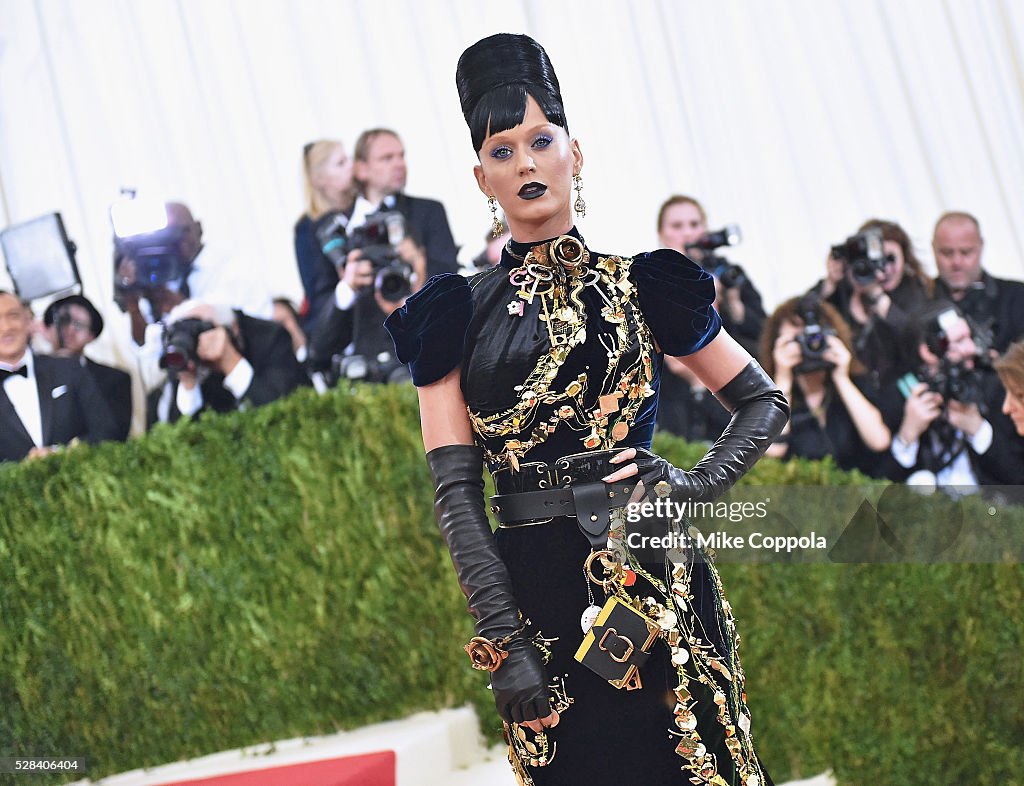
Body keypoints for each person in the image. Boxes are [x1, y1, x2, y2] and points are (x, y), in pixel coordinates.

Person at [384, 34, 787, 785]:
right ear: (481, 179)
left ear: (576, 151)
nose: (527, 164)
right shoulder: (451, 315)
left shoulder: (646, 286)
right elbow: (456, 494)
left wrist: (693, 484)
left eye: (541, 141)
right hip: (537, 597)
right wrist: (503, 643)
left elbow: (763, 401)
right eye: (503, 152)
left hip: (660, 581)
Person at [876, 302, 1019, 493]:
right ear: (928, 351)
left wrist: (979, 430)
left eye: (970, 338)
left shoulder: (995, 386)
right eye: (959, 341)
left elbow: (1017, 477)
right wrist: (907, 437)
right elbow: (877, 486)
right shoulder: (901, 395)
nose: (970, 349)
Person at [761, 295, 890, 476]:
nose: (807, 346)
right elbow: (773, 452)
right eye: (797, 340)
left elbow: (879, 441)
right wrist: (783, 379)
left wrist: (842, 378)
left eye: (813, 337)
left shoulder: (855, 381)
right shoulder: (770, 396)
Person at [0, 290, 119, 463]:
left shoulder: (68, 369)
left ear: (28, 320)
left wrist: (61, 453)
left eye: (13, 316)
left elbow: (106, 432)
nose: (6, 327)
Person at [815, 219, 932, 391]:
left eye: (890, 259)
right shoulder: (841, 296)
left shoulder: (916, 292)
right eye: (874, 260)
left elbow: (917, 339)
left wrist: (877, 296)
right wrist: (829, 285)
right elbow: (800, 316)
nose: (883, 269)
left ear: (905, 259)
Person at [151, 301, 307, 424]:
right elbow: (177, 438)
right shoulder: (182, 355)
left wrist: (231, 363)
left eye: (200, 330)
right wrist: (189, 385)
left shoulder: (270, 338)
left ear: (233, 329)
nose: (199, 344)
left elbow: (286, 411)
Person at [349, 128, 459, 279]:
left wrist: (417, 262)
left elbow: (448, 277)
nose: (399, 164)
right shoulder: (336, 225)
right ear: (361, 169)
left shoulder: (429, 211)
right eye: (387, 158)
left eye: (401, 156)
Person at [932, 211, 1024, 354]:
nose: (957, 262)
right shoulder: (918, 300)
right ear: (933, 249)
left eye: (966, 252)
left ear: (981, 246)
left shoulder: (1016, 297)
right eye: (947, 253)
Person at [43, 294, 132, 441]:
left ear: (91, 335)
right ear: (49, 328)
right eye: (64, 321)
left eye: (79, 325)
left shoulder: (115, 379)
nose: (70, 330)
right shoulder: (30, 376)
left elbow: (116, 434)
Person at [293, 139, 357, 334]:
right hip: (339, 321)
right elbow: (316, 289)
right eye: (341, 163)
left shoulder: (362, 207)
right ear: (319, 179)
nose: (351, 167)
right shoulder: (307, 228)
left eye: (349, 159)